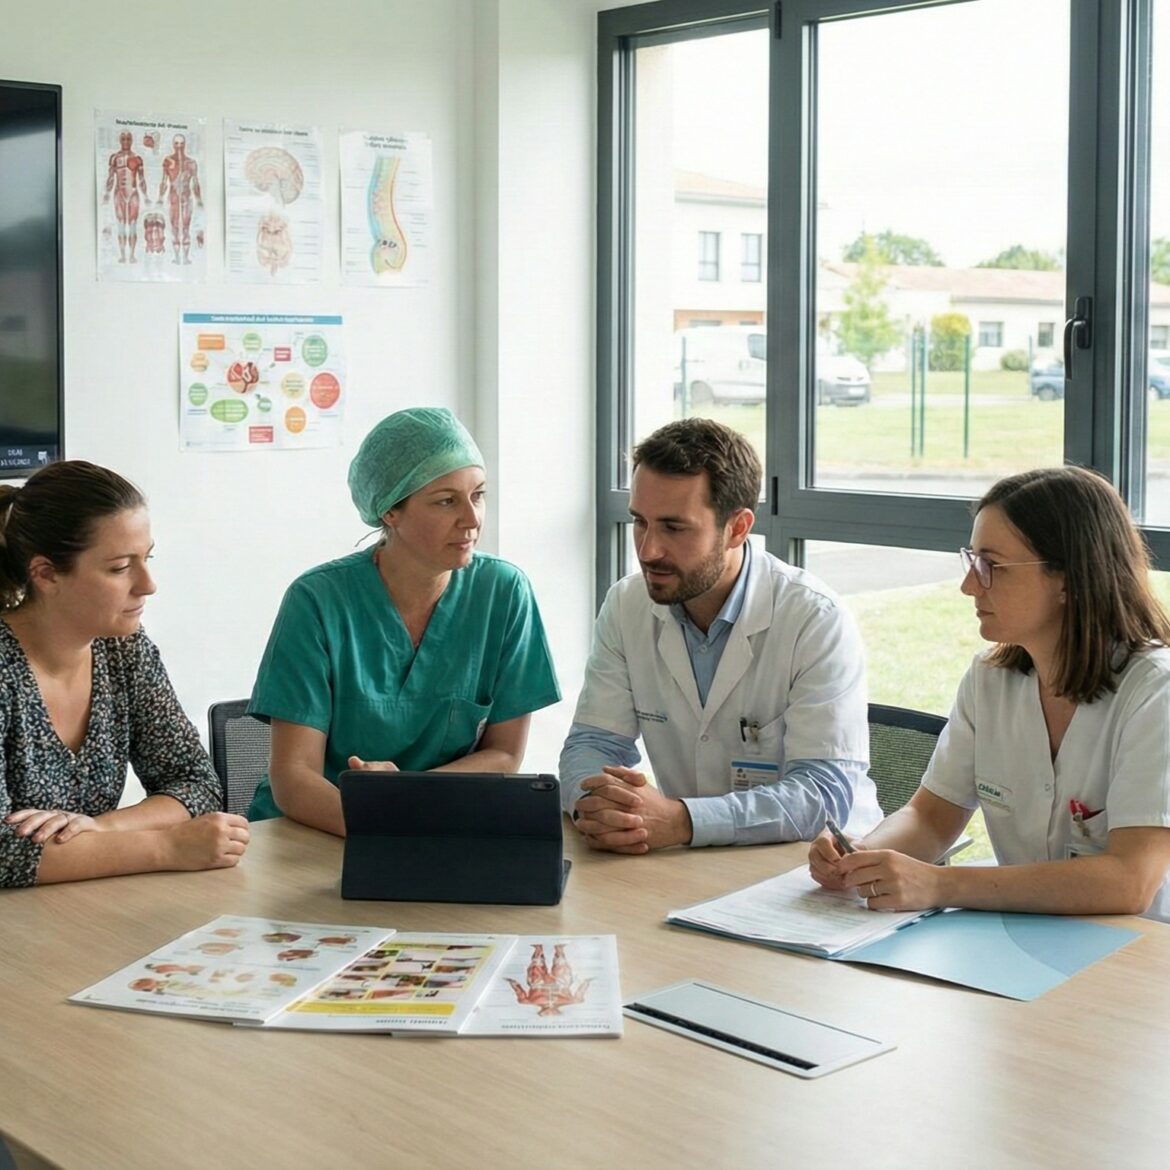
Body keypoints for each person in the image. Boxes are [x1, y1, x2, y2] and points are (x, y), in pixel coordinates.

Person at [808, 466, 1170, 922]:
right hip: (1022, 939)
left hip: (1139, 956)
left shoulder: (1156, 691)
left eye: (992, 566)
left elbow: (1130, 881)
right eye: (971, 560)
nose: (968, 585)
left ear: (1068, 579)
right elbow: (931, 818)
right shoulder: (989, 679)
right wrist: (863, 853)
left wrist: (939, 883)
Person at [560, 418, 880, 853]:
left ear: (738, 527)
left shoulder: (813, 618)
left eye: (674, 528)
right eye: (640, 522)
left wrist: (682, 820)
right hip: (686, 861)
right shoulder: (627, 605)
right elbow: (593, 742)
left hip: (809, 867)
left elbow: (824, 794)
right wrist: (597, 805)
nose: (648, 550)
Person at [247, 406, 561, 834]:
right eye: (446, 501)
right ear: (390, 512)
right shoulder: (318, 601)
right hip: (314, 832)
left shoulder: (503, 593)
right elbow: (293, 777)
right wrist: (381, 818)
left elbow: (504, 754)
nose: (472, 520)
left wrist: (405, 801)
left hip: (431, 827)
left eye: (479, 495)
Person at [0, 461, 250, 888]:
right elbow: (4, 853)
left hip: (84, 910)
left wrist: (101, 828)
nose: (148, 584)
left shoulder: (124, 649)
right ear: (45, 574)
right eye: (119, 568)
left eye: (147, 558)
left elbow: (196, 782)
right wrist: (167, 847)